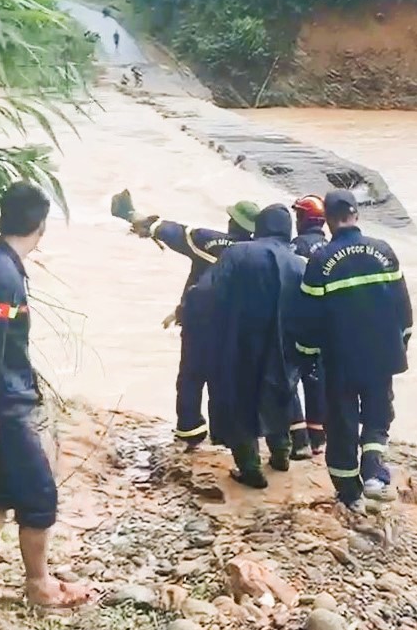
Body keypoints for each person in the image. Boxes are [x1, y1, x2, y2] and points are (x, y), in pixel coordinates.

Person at [0, 182, 96, 607]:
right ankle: (40, 586)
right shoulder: (0, 276)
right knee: (39, 496)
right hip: (2, 409)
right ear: (41, 226)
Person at [111, 190, 311, 456]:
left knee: (192, 376)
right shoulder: (266, 256)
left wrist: (131, 215)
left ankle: (190, 430)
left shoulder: (210, 241)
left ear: (232, 222)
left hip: (200, 321)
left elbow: (168, 230)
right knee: (237, 381)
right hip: (239, 329)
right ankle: (256, 438)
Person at [290, 189, 412, 511]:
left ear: (328, 221)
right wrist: (401, 344)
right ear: (356, 215)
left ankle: (350, 496)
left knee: (342, 424)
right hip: (381, 356)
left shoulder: (319, 261)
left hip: (340, 359)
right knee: (378, 414)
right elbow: (403, 308)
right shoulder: (384, 251)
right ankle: (373, 471)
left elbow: (308, 318)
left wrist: (306, 356)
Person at [184, 204, 306, 489]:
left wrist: (190, 314)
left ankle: (250, 468)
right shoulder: (298, 263)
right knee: (279, 394)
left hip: (237, 342)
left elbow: (205, 293)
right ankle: (280, 455)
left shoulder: (237, 253)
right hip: (282, 345)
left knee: (237, 402)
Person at [290, 194, 330, 457]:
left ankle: (299, 437)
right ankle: (320, 438)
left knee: (292, 377)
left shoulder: (297, 247)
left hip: (301, 322)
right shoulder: (331, 247)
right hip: (329, 326)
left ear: (303, 219)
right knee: (319, 379)